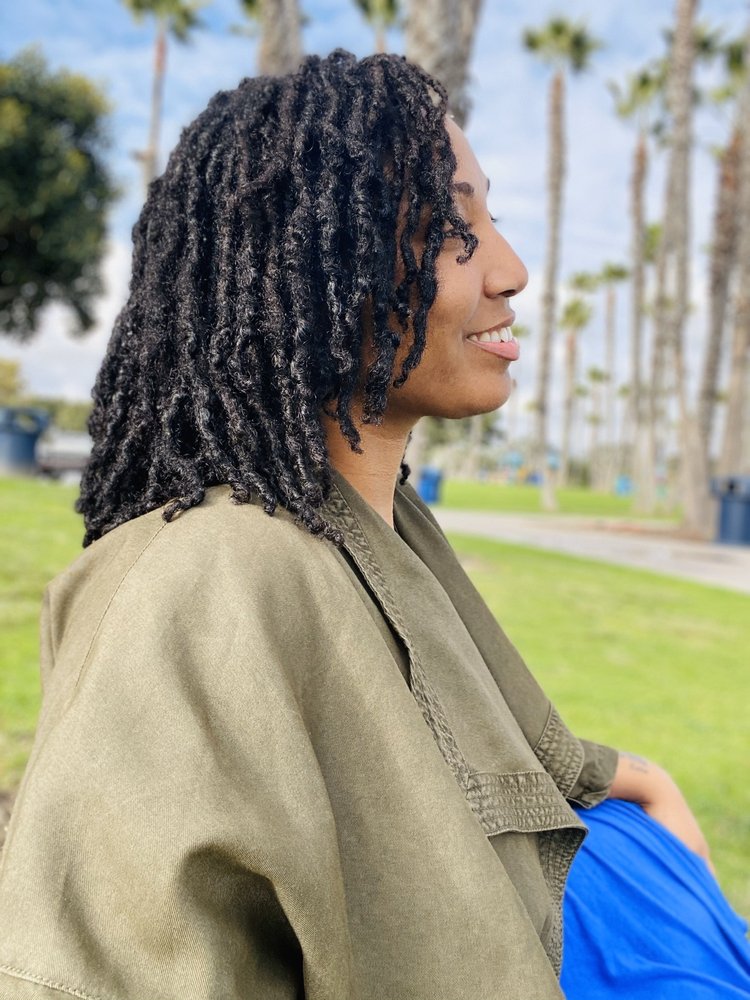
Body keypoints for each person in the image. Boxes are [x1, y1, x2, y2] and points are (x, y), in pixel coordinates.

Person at [0, 49, 733, 1000]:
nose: (511, 271)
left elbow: (490, 749)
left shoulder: (384, 527)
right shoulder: (209, 575)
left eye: (492, 218)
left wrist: (643, 781)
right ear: (312, 266)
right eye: (449, 228)